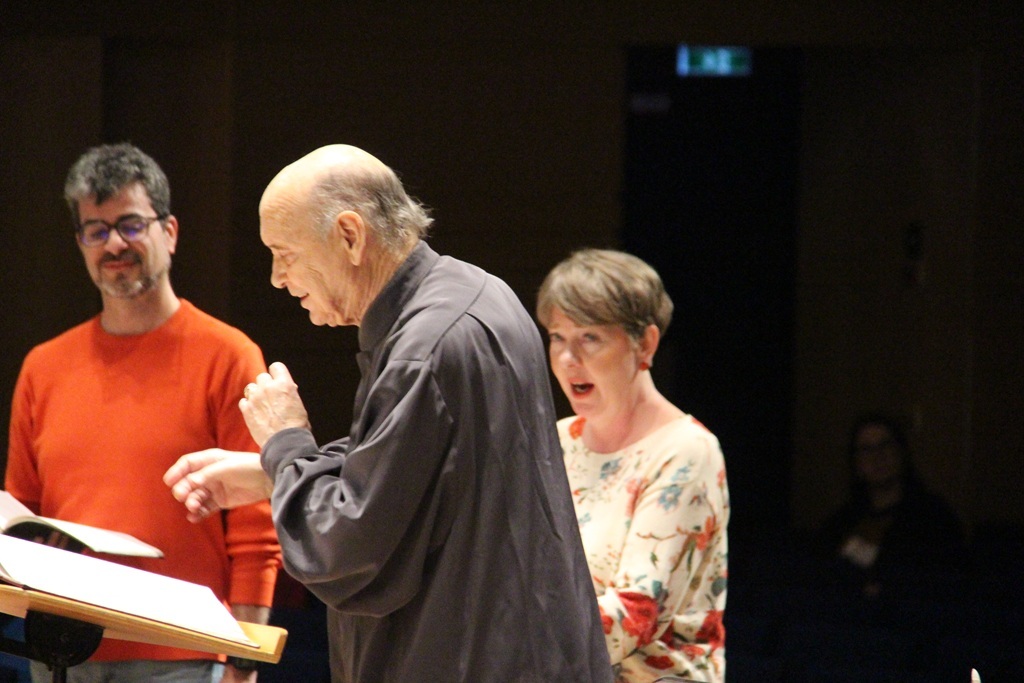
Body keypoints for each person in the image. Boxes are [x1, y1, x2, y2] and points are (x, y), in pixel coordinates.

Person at [163, 144, 613, 683]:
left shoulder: (424, 346)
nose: (277, 278)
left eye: (285, 253)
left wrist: (285, 440)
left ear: (350, 236)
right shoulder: (477, 291)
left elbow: (343, 553)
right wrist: (271, 474)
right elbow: (418, 473)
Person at [5, 143, 281, 683]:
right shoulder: (43, 367)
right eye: (96, 230)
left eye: (131, 225)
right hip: (60, 652)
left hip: (183, 655)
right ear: (81, 244)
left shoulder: (229, 356)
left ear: (169, 232)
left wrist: (244, 661)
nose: (114, 244)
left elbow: (255, 533)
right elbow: (20, 517)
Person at [536, 249, 731, 683]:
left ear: (645, 344)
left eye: (590, 337)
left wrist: (506, 642)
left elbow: (636, 613)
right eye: (557, 337)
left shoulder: (687, 450)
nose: (567, 358)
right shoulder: (557, 442)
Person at [815, 411, 966, 598]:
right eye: (866, 449)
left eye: (885, 445)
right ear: (856, 463)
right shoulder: (842, 522)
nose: (877, 457)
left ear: (901, 453)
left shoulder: (933, 519)